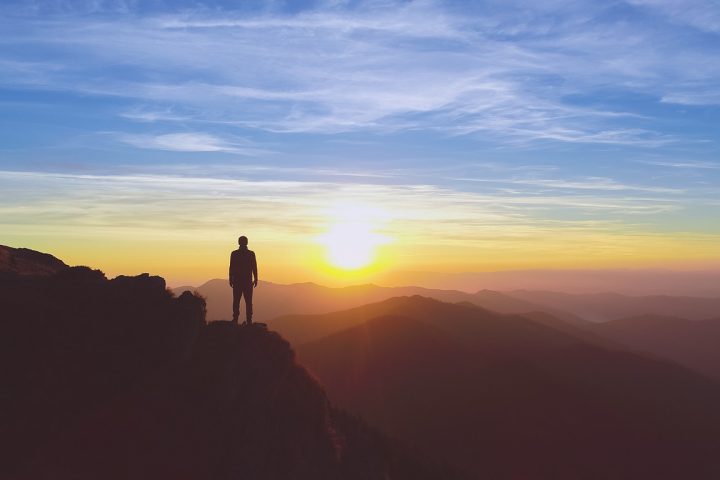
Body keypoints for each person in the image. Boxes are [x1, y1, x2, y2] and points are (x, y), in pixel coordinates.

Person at [229, 235, 258, 325]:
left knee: (236, 301)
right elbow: (254, 267)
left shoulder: (234, 253)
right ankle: (249, 320)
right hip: (247, 281)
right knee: (248, 302)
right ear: (247, 242)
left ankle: (235, 319)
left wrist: (230, 278)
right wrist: (256, 278)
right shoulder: (251, 254)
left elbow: (231, 267)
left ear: (239, 242)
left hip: (237, 281)